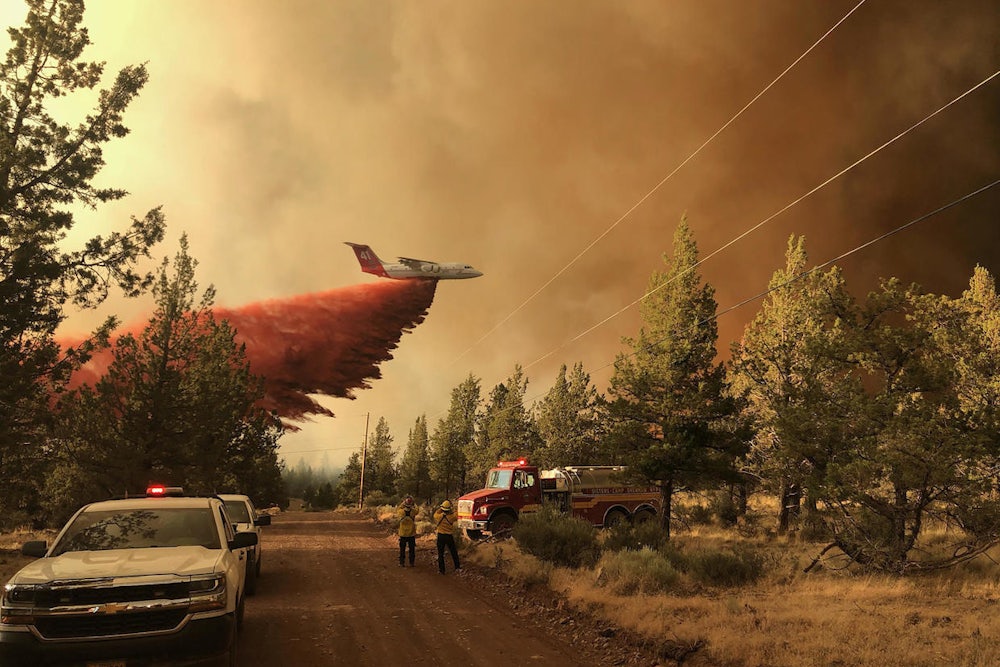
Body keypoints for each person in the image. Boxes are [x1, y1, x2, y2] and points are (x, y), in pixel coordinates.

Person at [433, 499, 460, 574]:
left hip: (440, 536)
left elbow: (436, 513)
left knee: (440, 554)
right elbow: (457, 513)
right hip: (449, 536)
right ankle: (457, 566)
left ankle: (442, 570)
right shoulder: (452, 517)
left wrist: (441, 508)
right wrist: (453, 508)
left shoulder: (438, 516)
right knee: (453, 552)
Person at [397, 495, 418, 567]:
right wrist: (414, 503)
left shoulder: (401, 511)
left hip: (403, 533)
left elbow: (398, 508)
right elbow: (417, 509)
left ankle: (401, 562)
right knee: (412, 549)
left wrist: (403, 503)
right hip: (411, 534)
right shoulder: (413, 511)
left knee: (402, 549)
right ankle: (411, 562)